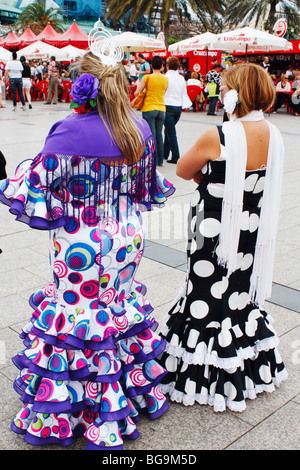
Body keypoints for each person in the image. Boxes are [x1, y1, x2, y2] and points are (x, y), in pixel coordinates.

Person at [0, 48, 174, 450]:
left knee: (78, 314)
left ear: (84, 87)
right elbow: (146, 186)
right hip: (127, 234)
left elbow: (36, 186)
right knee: (117, 303)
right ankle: (126, 391)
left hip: (82, 240)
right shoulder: (139, 128)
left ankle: (77, 405)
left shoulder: (68, 132)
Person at [158, 63, 287, 412]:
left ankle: (199, 367)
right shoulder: (272, 132)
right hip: (250, 226)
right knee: (237, 289)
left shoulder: (219, 135)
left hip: (213, 228)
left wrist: (214, 184)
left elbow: (184, 170)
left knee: (203, 289)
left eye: (226, 86)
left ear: (235, 94)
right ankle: (239, 356)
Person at [134, 55, 168, 166]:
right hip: (161, 108)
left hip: (149, 108)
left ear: (152, 66)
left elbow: (137, 92)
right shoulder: (165, 78)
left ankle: (152, 159)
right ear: (162, 66)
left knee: (151, 135)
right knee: (159, 134)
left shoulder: (147, 78)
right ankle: (160, 160)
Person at [163, 56, 192, 164]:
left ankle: (176, 156)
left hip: (167, 105)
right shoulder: (181, 78)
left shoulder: (165, 77)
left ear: (167, 65)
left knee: (170, 132)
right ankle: (165, 153)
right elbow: (184, 94)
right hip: (178, 107)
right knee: (168, 130)